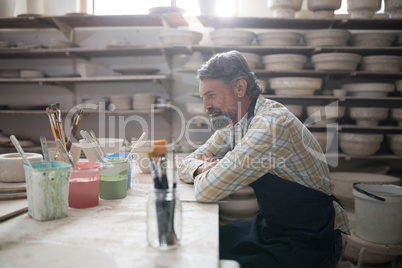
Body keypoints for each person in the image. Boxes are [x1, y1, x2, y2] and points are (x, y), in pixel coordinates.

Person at [177, 50, 349, 268]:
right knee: (201, 243)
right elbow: (185, 162)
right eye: (203, 97)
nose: (205, 106)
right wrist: (202, 168)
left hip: (309, 240)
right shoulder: (234, 123)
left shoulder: (270, 124)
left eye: (211, 95)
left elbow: (206, 191)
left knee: (210, 260)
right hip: (272, 228)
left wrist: (208, 172)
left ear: (240, 88)